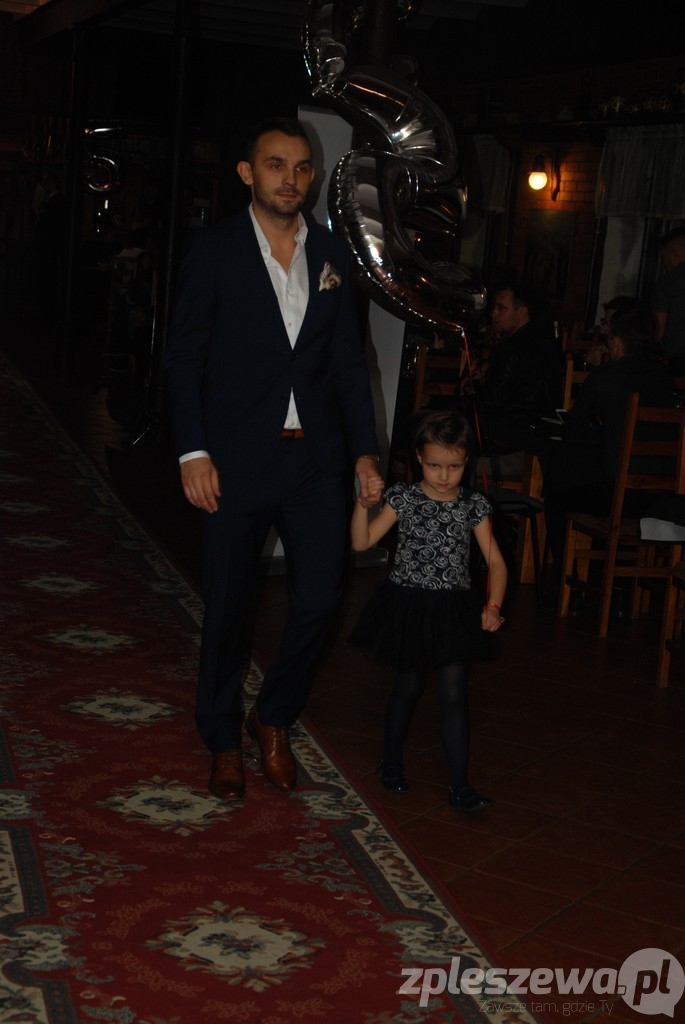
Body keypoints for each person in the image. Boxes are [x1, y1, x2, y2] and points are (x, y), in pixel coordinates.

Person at [165, 116, 382, 801]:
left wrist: (365, 453)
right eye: (275, 165)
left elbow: (349, 364)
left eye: (300, 167)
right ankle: (222, 739)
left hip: (314, 460)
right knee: (229, 607)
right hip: (233, 459)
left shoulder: (332, 254)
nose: (290, 178)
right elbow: (184, 357)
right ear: (247, 173)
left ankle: (272, 715)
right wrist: (193, 450)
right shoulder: (215, 251)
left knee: (321, 597)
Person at [348, 410, 507, 812]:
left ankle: (460, 785)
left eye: (454, 466)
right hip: (409, 604)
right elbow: (362, 543)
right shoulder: (404, 498)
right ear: (419, 457)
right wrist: (362, 506)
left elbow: (496, 562)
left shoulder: (473, 504)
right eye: (435, 465)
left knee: (454, 694)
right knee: (408, 686)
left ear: (466, 461)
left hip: (452, 607)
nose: (444, 476)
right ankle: (390, 761)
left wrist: (493, 604)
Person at [543, 305, 676, 596]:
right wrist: (614, 434)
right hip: (663, 497)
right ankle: (623, 586)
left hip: (623, 496)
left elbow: (572, 431)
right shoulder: (663, 378)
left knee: (557, 493)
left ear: (616, 342)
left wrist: (606, 434)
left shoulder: (605, 376)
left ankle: (567, 586)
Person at [472, 279, 563, 458]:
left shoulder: (513, 348)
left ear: (521, 312)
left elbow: (491, 400)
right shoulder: (547, 342)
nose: (493, 314)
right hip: (541, 428)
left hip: (517, 434)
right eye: (493, 307)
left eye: (501, 309)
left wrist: (473, 387)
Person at [651, 225, 685, 376]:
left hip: (679, 360)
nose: (665, 265)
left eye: (664, 259)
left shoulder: (668, 282)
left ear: (674, 254)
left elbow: (658, 330)